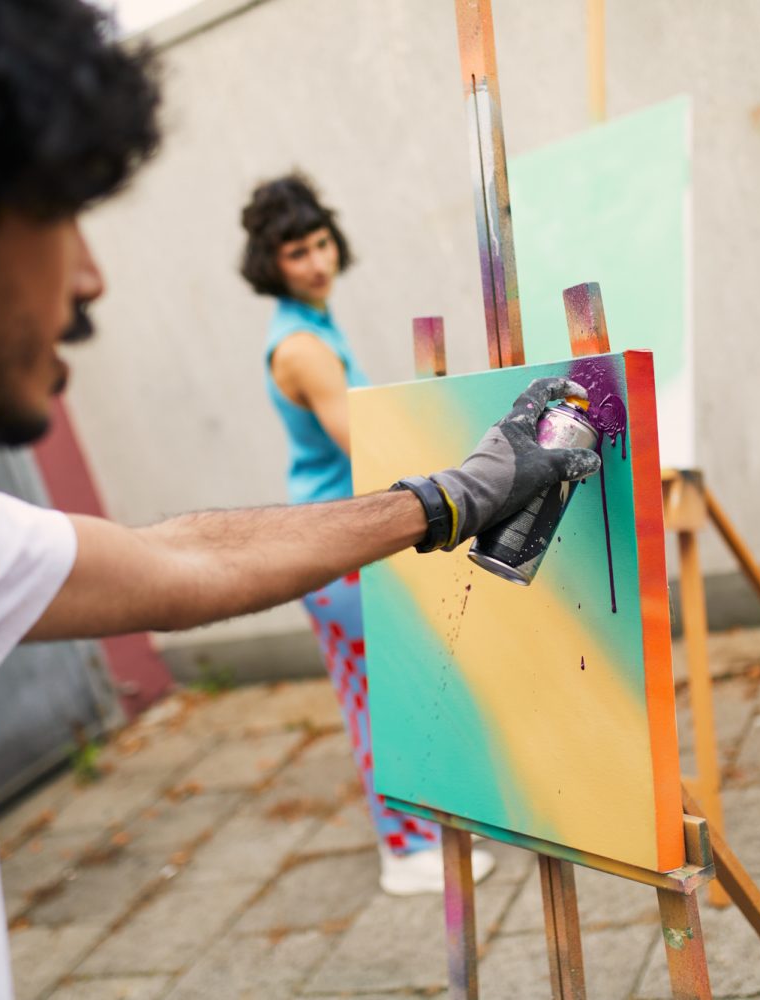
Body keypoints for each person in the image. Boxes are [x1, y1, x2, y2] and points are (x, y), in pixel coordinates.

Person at [0, 1, 601, 997]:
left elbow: (185, 559)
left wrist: (452, 496)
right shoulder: (297, 344)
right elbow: (349, 443)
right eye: (60, 212)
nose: (92, 279)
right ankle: (405, 842)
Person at [240, 174, 491, 894]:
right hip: (333, 550)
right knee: (382, 701)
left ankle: (417, 836)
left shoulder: (314, 325)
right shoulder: (302, 348)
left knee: (388, 693)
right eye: (297, 252)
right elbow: (369, 452)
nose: (317, 261)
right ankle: (407, 852)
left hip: (337, 540)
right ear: (271, 263)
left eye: (321, 243)